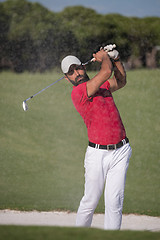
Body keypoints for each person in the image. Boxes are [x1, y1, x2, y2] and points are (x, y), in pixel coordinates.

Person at [61, 45, 132, 230]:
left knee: (114, 201)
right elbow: (107, 71)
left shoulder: (101, 87)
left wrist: (115, 58)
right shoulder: (78, 93)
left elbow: (121, 80)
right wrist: (104, 57)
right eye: (71, 72)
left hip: (121, 150)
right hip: (97, 154)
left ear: (83, 66)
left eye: (77, 67)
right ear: (67, 78)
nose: (76, 73)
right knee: (90, 201)